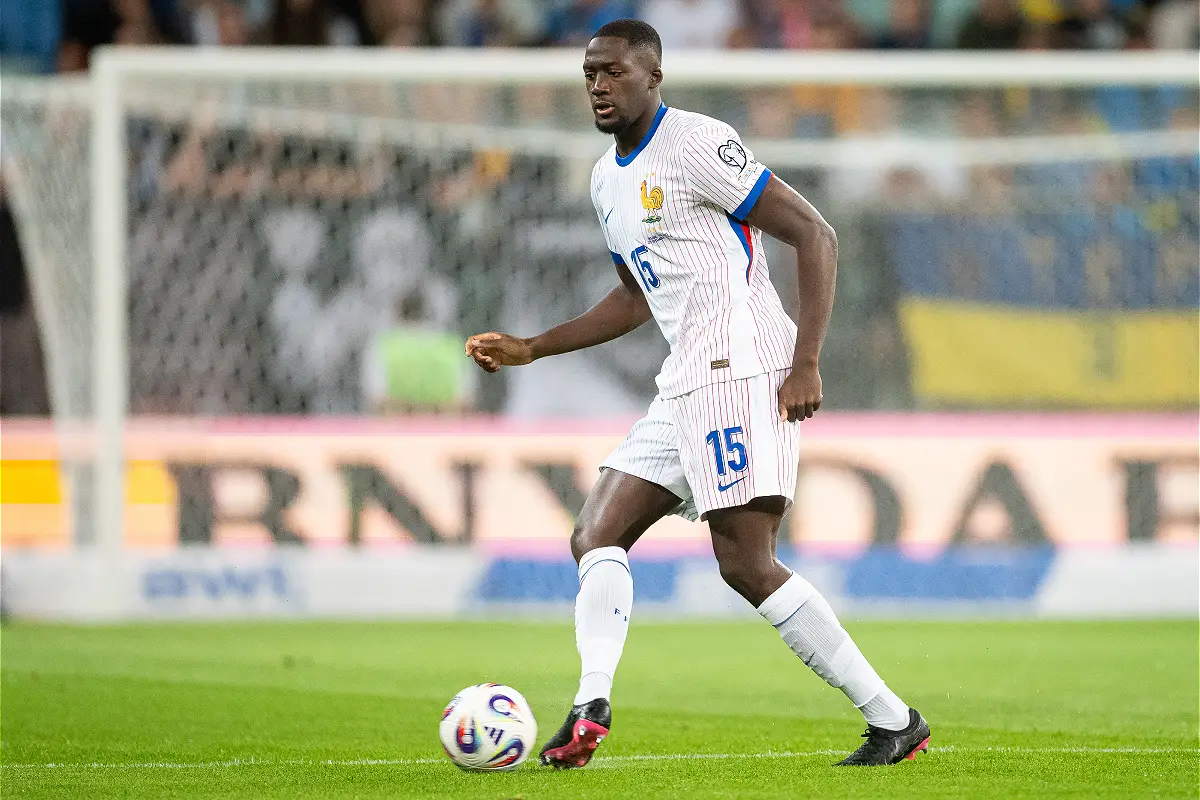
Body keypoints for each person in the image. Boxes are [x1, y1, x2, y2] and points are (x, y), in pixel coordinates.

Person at [465, 18, 929, 769]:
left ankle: (892, 720)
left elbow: (816, 234)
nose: (599, 86)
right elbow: (634, 296)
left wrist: (805, 360)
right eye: (590, 75)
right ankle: (591, 704)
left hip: (744, 367)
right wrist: (532, 347)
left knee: (746, 562)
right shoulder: (604, 178)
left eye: (613, 72)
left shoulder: (696, 144)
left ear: (653, 77)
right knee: (594, 535)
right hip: (684, 378)